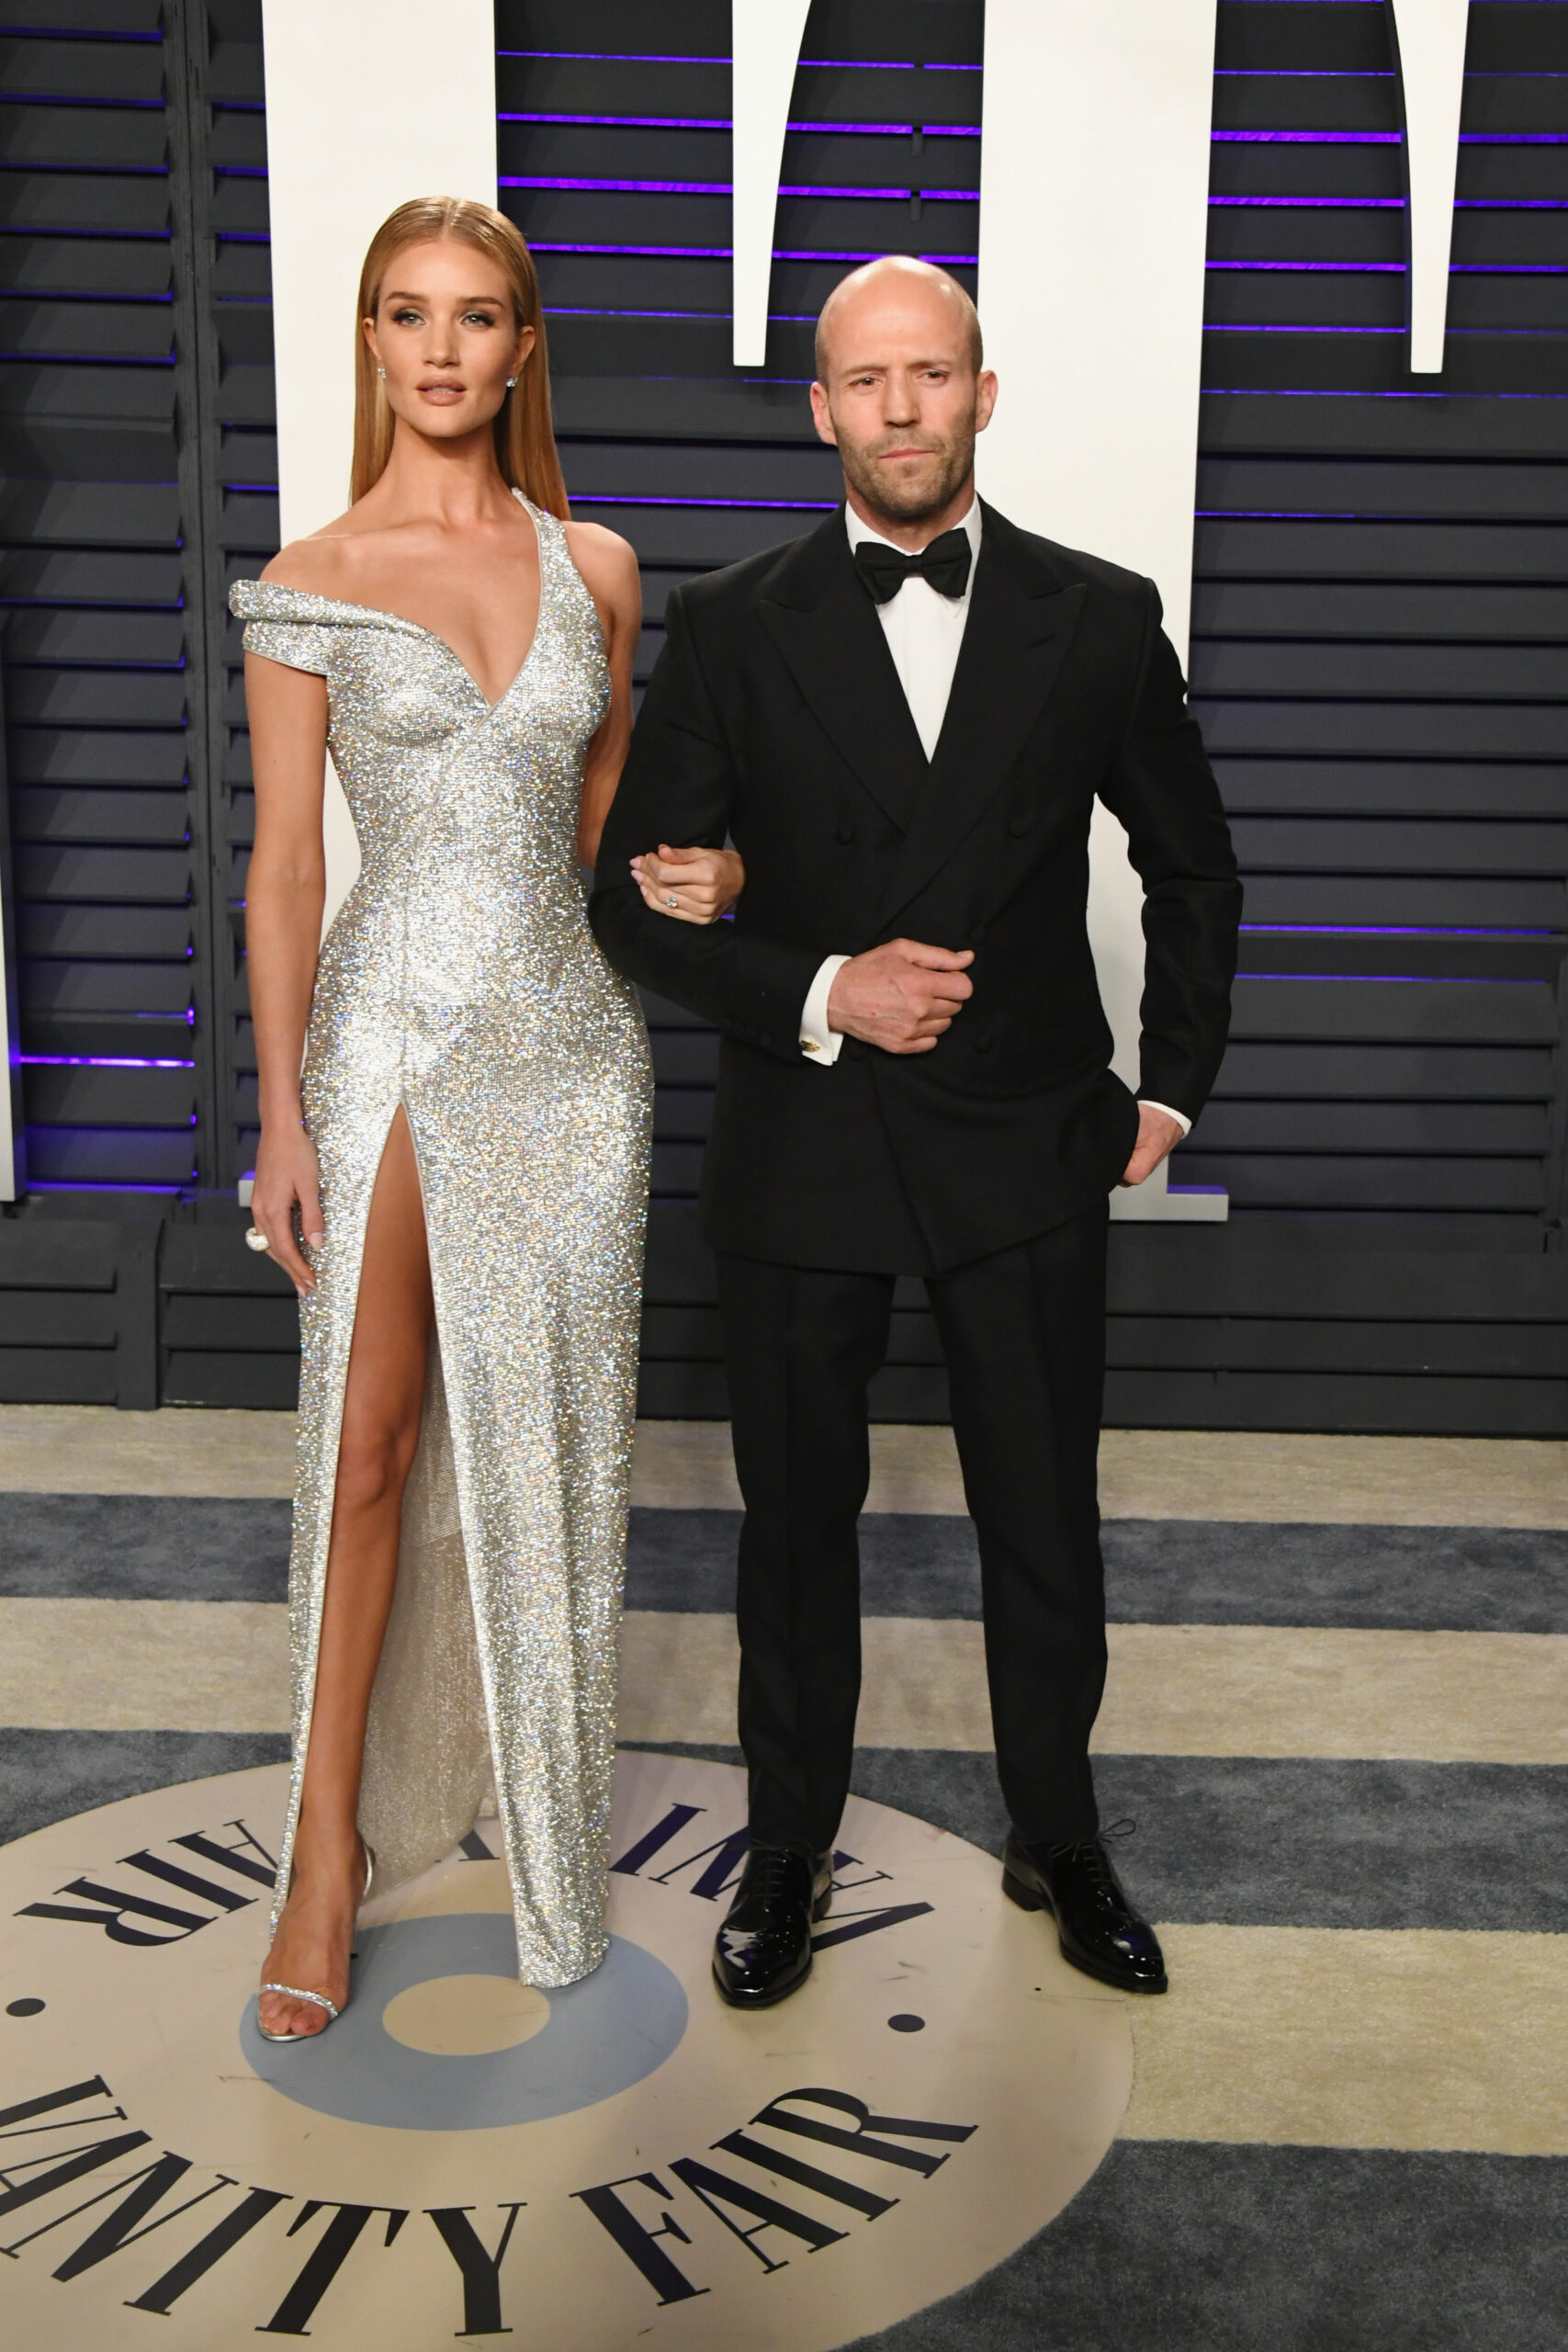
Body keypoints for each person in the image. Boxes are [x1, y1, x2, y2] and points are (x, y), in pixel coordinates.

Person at [592, 255, 1241, 2009]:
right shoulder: (734, 620)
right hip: (803, 1147)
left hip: (1026, 1141)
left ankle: (1059, 1830)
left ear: (982, 392)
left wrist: (1169, 1088)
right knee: (792, 1531)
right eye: (866, 379)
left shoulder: (1099, 615)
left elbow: (1191, 866)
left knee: (1045, 1517)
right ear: (822, 407)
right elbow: (634, 906)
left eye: (930, 374)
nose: (900, 406)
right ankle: (788, 1849)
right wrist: (817, 986)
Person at [235, 197, 740, 2040]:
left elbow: (606, 846)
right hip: (390, 1038)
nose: (437, 348)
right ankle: (320, 1854)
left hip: (576, 1054)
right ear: (369, 344)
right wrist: (285, 1116)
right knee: (363, 1451)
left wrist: (712, 878)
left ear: (523, 348)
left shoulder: (594, 568)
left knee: (556, 1462)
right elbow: (284, 874)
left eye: (473, 318)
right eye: (402, 315)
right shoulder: (306, 580)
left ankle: (545, 1844)